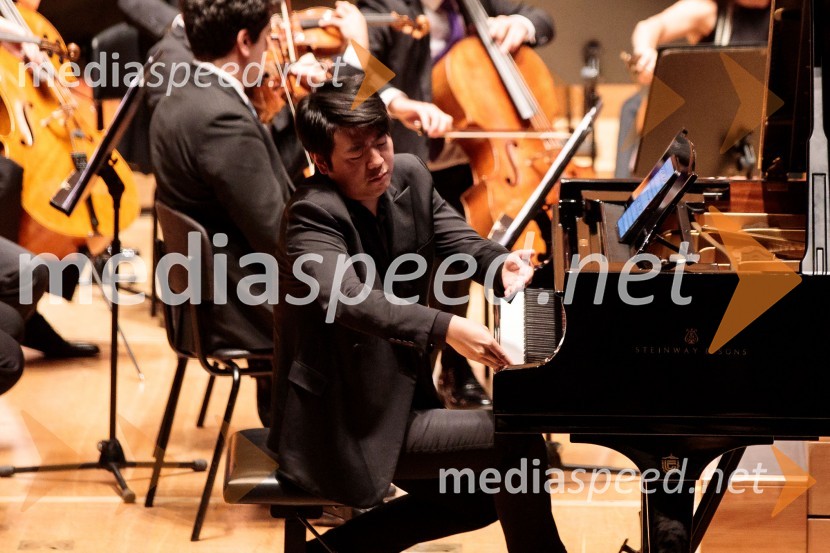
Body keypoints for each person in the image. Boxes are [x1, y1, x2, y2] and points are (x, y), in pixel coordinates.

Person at [268, 77, 567, 553]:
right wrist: (446, 326)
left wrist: (499, 265)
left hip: (401, 398)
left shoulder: (409, 174)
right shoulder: (311, 215)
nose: (377, 161)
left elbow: (457, 239)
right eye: (356, 153)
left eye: (381, 142)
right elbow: (351, 299)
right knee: (516, 440)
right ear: (322, 163)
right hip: (342, 420)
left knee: (477, 498)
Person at [358, 0, 555, 408]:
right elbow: (359, 63)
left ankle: (471, 365)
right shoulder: (387, 4)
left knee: (469, 259)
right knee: (428, 266)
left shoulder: (473, 3)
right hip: (408, 156)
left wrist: (521, 24)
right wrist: (399, 102)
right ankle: (426, 370)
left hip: (472, 158)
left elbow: (541, 18)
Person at [150, 0, 295, 426]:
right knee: (386, 302)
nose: (270, 52)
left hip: (209, 296)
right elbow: (277, 236)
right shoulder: (221, 118)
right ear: (244, 41)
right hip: (240, 305)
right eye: (267, 40)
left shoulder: (182, 93)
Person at [616, 0, 771, 177]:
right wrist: (644, 52)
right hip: (710, 146)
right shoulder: (708, 10)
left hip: (760, 147)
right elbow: (649, 27)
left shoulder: (783, 15)